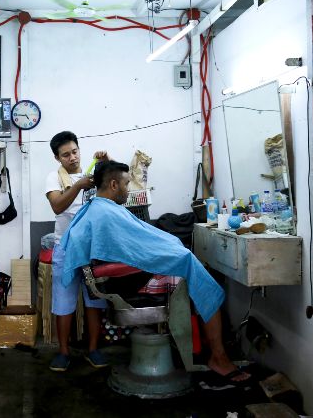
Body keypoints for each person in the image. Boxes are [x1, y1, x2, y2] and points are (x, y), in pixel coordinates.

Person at [61, 160, 252, 384]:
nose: (128, 189)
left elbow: (133, 246)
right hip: (128, 282)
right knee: (205, 284)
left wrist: (171, 250)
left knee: (195, 271)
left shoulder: (99, 208)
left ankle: (208, 349)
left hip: (122, 278)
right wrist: (177, 255)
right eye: (125, 183)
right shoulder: (106, 213)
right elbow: (134, 252)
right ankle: (218, 357)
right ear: (113, 185)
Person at [44, 130, 110, 372]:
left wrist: (107, 163)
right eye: (65, 155)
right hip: (66, 248)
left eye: (74, 152)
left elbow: (114, 188)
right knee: (63, 301)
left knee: (95, 301)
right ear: (57, 158)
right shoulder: (54, 178)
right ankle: (63, 352)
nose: (72, 157)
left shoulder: (92, 174)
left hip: (93, 249)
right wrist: (78, 185)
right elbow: (57, 206)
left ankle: (93, 349)